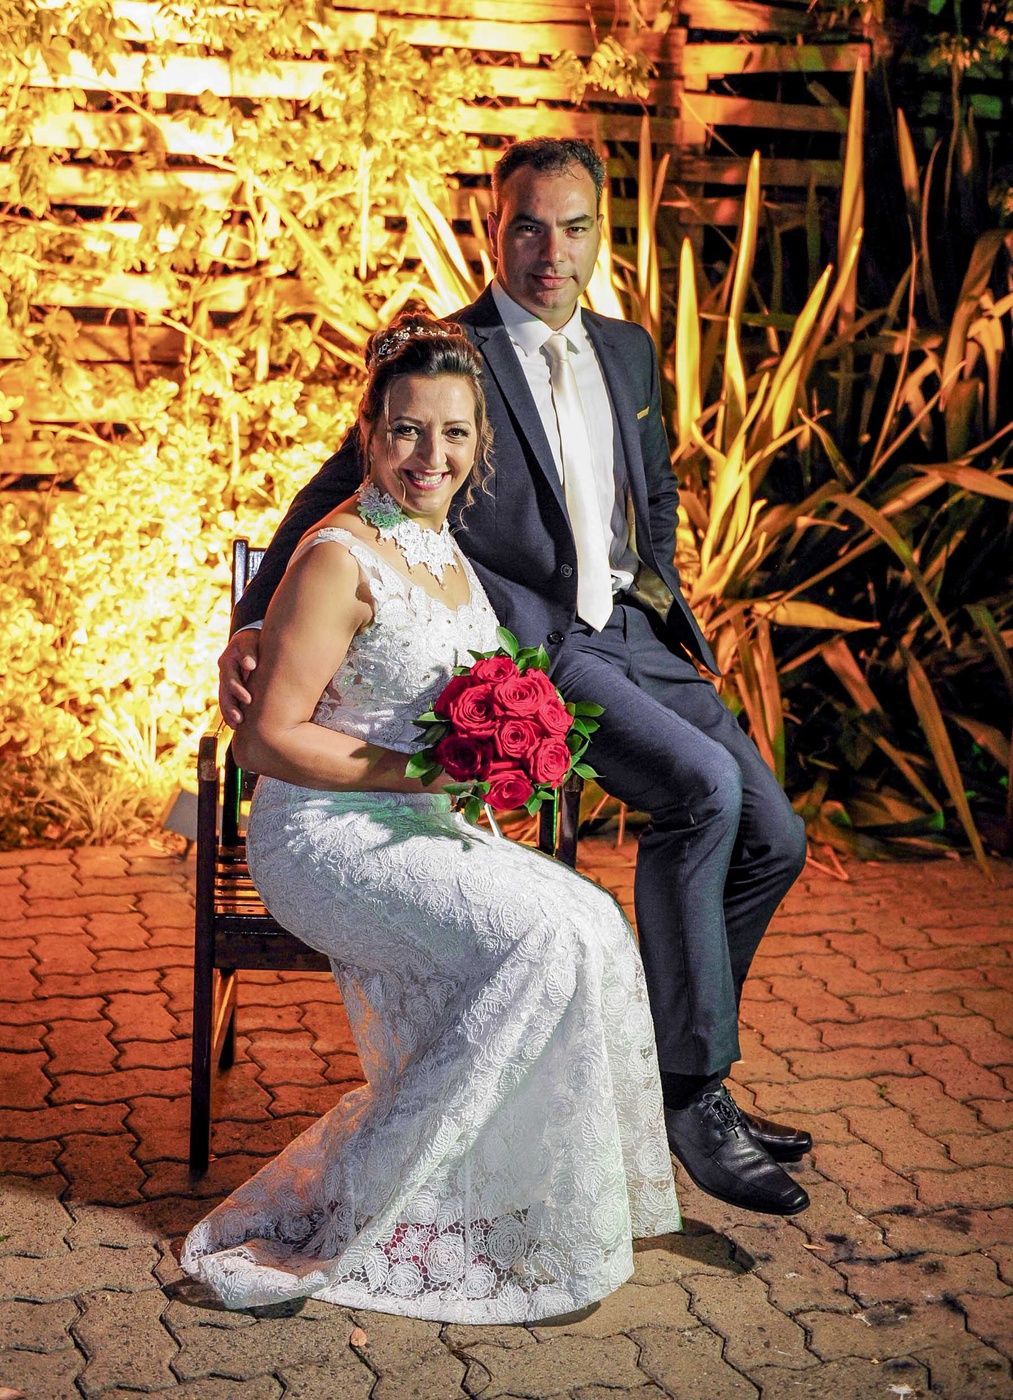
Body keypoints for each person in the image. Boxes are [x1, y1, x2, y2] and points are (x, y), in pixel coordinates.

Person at [219, 138, 812, 1217]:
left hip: (641, 632)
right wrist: (253, 619)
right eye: (528, 225)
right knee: (700, 794)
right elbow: (330, 487)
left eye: (574, 228)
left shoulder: (627, 349)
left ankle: (672, 1069)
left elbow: (654, 491)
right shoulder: (452, 355)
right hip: (545, 646)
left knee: (776, 835)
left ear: (599, 234)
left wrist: (667, 597)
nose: (551, 251)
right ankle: (693, 1094)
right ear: (492, 228)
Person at [182, 312, 681, 1321]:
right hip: (324, 833)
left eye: (453, 433)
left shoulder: (444, 548)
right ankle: (391, 1206)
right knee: (540, 942)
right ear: (369, 432)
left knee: (591, 921)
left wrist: (509, 746)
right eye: (407, 430)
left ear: (476, 440)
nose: (430, 455)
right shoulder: (337, 556)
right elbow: (265, 741)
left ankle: (510, 1195)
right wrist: (426, 771)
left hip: (420, 820)